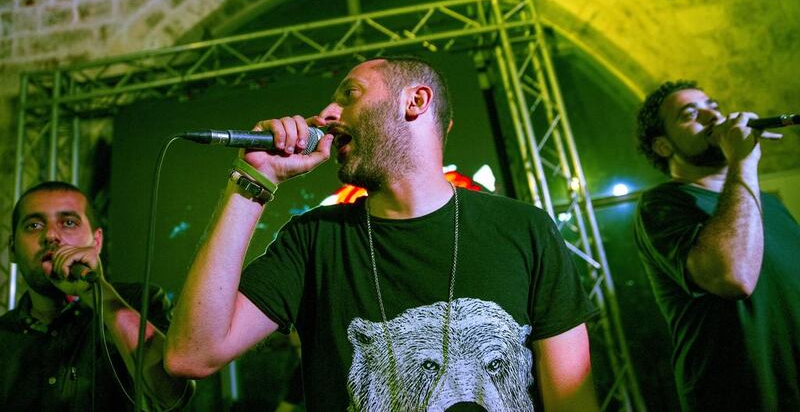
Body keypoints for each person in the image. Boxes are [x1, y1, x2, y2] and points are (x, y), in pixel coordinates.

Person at [165, 57, 599, 410]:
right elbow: (191, 353)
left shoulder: (523, 229)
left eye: (349, 95)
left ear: (415, 101)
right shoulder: (314, 241)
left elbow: (572, 401)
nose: (327, 115)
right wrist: (252, 179)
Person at [633, 80, 800, 411]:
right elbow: (732, 275)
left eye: (713, 105)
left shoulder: (768, 205)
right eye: (690, 114)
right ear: (664, 146)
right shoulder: (662, 204)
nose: (713, 115)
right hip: (742, 399)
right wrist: (744, 161)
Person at [0, 181, 194, 410]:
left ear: (97, 240)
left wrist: (97, 293)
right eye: (33, 225)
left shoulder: (140, 302)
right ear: (12, 248)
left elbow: (174, 396)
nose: (51, 235)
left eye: (69, 223)